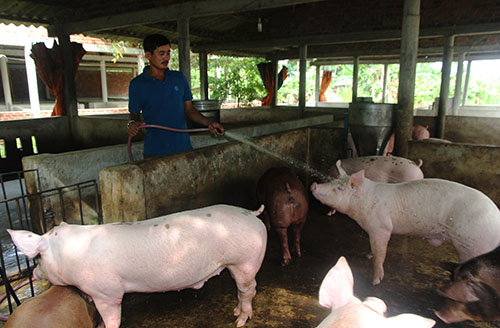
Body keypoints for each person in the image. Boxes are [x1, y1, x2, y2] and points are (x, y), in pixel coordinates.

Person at [127, 34, 224, 157]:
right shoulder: (137, 84)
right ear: (148, 55)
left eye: (168, 53)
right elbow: (134, 115)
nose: (166, 57)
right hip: (155, 151)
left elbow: (189, 109)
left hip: (183, 148)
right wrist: (133, 124)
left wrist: (209, 123)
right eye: (161, 54)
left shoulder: (178, 78)